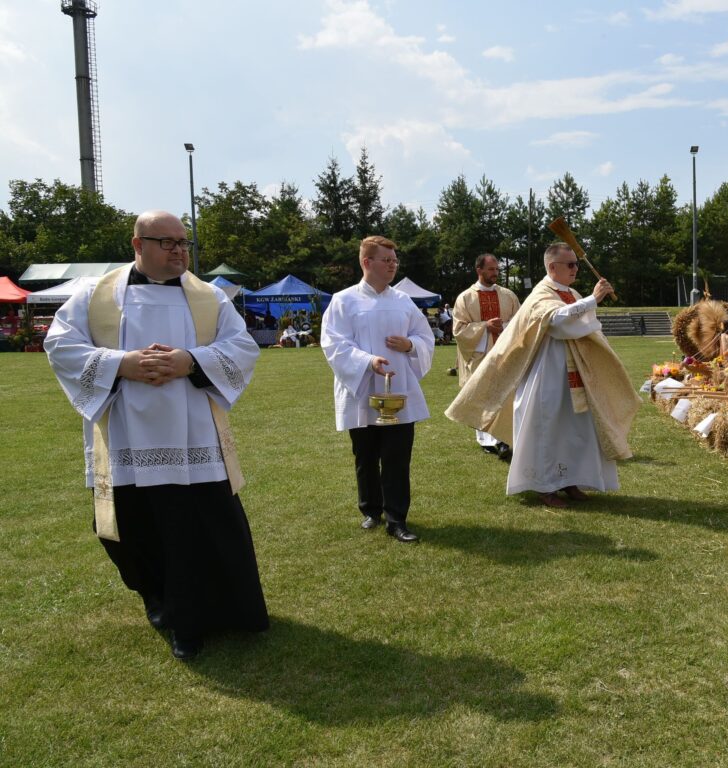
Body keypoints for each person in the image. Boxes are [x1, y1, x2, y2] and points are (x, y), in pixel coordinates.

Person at [43, 210, 268, 660]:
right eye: (167, 243)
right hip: (127, 434)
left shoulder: (209, 298)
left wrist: (191, 361)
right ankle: (162, 602)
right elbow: (60, 345)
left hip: (196, 437)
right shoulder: (96, 295)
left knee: (202, 528)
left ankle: (218, 614)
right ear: (138, 245)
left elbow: (242, 346)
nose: (179, 251)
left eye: (183, 243)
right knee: (130, 530)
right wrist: (120, 364)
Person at [446, 242, 641, 508]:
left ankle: (570, 480)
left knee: (575, 428)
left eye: (576, 264)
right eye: (570, 264)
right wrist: (592, 300)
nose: (575, 269)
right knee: (547, 429)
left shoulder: (570, 291)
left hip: (574, 372)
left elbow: (583, 323)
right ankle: (544, 486)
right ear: (552, 267)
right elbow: (558, 322)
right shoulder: (541, 293)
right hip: (546, 375)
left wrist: (589, 305)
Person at [321, 236, 434, 542]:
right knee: (366, 454)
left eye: (395, 261)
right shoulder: (344, 300)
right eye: (387, 260)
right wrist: (368, 361)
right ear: (366, 262)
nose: (392, 266)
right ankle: (371, 509)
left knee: (397, 456)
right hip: (361, 389)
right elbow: (333, 343)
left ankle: (397, 519)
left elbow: (426, 336)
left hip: (398, 390)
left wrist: (411, 344)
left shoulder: (403, 301)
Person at [452, 253, 521, 459]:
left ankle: (504, 437)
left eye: (497, 269)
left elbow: (520, 323)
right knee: (483, 396)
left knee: (505, 395)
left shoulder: (508, 296)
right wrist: (485, 327)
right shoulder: (465, 298)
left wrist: (504, 326)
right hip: (480, 356)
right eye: (491, 269)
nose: (495, 273)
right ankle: (487, 440)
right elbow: (459, 330)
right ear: (479, 270)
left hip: (505, 355)